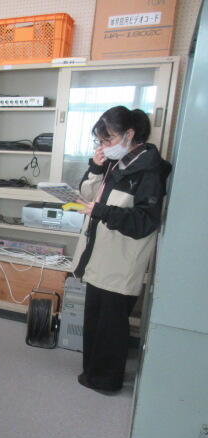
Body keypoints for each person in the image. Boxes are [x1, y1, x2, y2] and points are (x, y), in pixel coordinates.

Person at [73, 106, 171, 392]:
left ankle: (106, 381)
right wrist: (95, 167)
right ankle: (91, 374)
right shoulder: (116, 163)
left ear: (130, 134)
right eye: (100, 141)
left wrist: (102, 211)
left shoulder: (150, 170)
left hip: (121, 262)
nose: (104, 146)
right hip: (99, 255)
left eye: (109, 139)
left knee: (111, 328)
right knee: (94, 322)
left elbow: (144, 222)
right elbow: (88, 197)